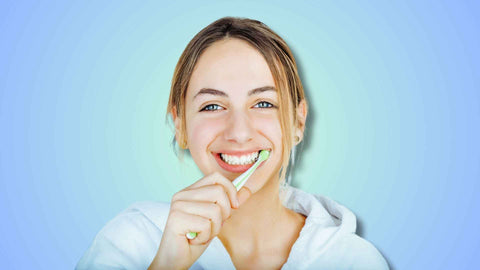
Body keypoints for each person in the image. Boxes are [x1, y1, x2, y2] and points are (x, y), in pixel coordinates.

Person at [76, 17, 389, 270]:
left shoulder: (353, 261)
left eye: (264, 103)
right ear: (180, 124)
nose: (239, 133)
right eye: (212, 106)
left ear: (298, 122)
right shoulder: (130, 243)